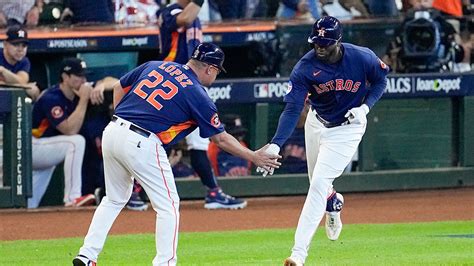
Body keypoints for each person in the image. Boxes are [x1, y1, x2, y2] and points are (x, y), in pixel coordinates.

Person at [72, 42, 281, 266]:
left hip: (113, 130)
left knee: (113, 200)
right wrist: (253, 156)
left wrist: (124, 117)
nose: (216, 76)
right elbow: (220, 138)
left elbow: (117, 88)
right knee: (168, 206)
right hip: (143, 140)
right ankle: (165, 263)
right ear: (210, 68)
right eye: (217, 71)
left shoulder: (156, 65)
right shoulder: (197, 93)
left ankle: (87, 255)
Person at [255, 16, 388, 266]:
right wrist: (276, 144)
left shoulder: (362, 57)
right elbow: (293, 109)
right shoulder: (304, 68)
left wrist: (366, 108)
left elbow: (381, 79)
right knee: (318, 185)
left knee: (317, 184)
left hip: (348, 128)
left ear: (338, 41)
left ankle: (298, 254)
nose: (320, 47)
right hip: (317, 123)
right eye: (316, 42)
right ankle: (333, 201)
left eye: (325, 43)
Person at [159, 0, 248, 209]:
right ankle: (133, 191)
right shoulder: (170, 10)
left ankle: (213, 192)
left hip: (192, 83)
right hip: (172, 82)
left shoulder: (196, 14)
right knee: (157, 137)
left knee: (199, 142)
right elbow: (185, 18)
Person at [29, 58, 98, 208]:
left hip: (47, 149)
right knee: (76, 141)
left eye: (84, 76)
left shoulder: (77, 91)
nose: (83, 80)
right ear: (65, 77)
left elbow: (112, 81)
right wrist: (84, 100)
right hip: (30, 148)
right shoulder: (51, 97)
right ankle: (72, 197)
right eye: (78, 76)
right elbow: (69, 130)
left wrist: (102, 85)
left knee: (28, 205)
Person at [383, 0, 465, 73]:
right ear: (411, 1)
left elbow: (459, 54)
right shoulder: (403, 27)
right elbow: (388, 57)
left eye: (425, 0)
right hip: (409, 70)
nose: (422, 3)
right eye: (418, 1)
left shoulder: (444, 26)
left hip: (437, 69)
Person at [0, 25, 39, 101]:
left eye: (24, 46)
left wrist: (3, 71)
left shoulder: (24, 61)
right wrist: (23, 87)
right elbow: (22, 84)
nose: (20, 49)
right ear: (5, 44)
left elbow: (22, 80)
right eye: (16, 45)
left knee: (34, 90)